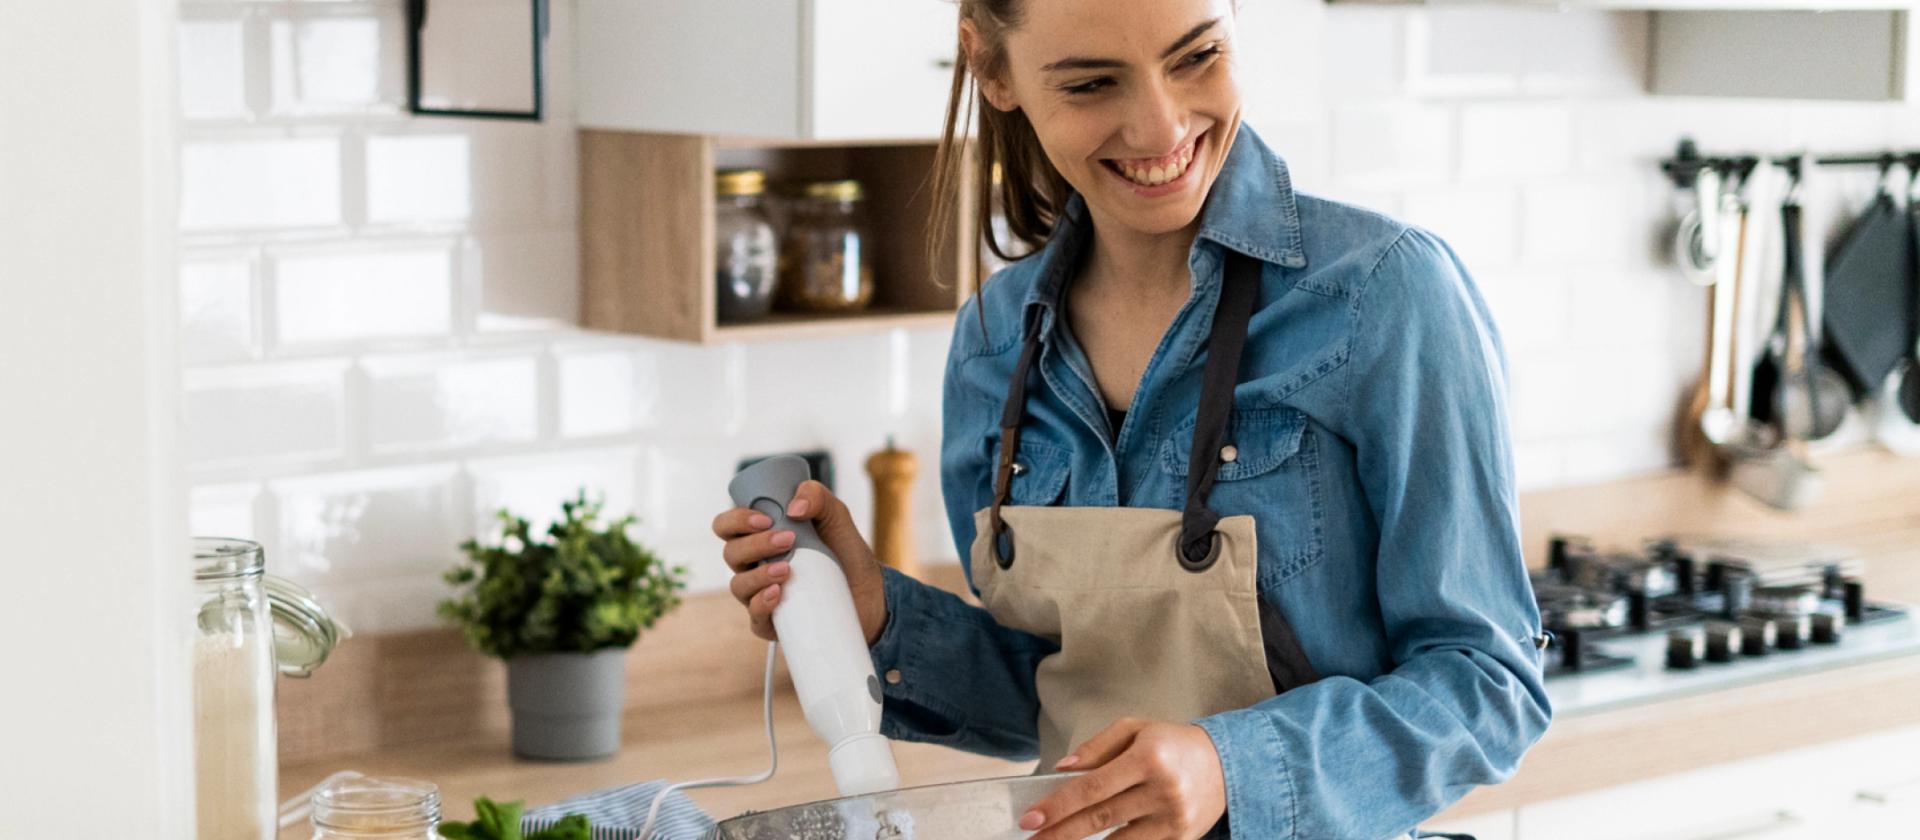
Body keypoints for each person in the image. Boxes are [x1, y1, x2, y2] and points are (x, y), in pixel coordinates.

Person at [712, 0, 1551, 837]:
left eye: (1196, 57)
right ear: (993, 70)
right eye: (1091, 84)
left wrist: (1230, 767)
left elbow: (1489, 685)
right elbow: (1054, 692)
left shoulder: (1383, 296)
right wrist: (879, 619)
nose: (1160, 126)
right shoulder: (994, 346)